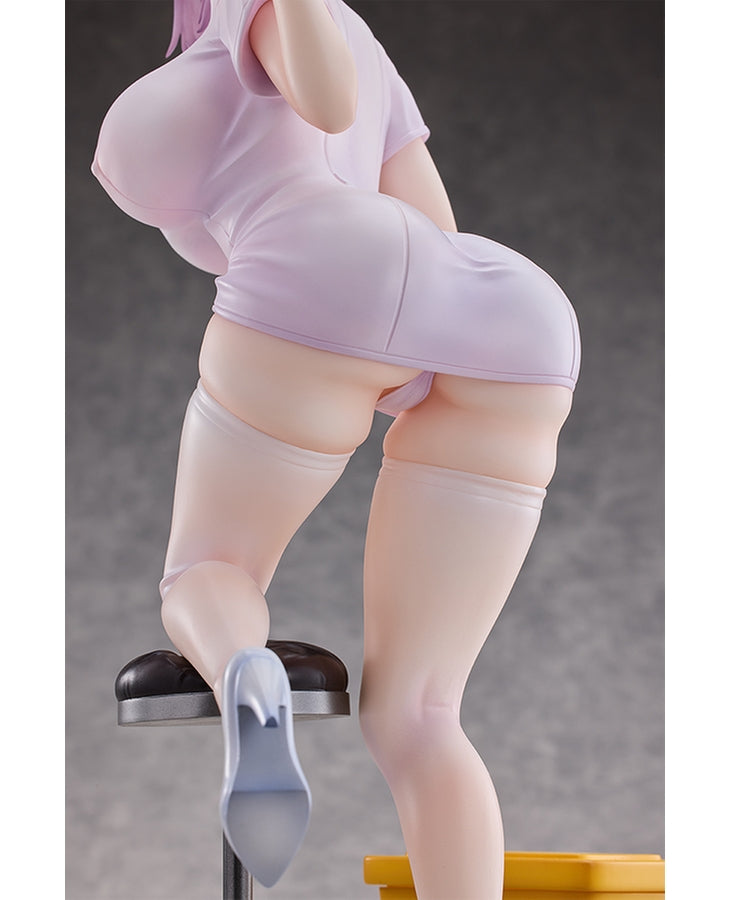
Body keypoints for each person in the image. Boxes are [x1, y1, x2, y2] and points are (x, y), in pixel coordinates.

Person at [92, 1, 580, 896]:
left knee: (209, 569)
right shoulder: (368, 49)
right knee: (419, 713)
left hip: (308, 271)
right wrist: (389, 366)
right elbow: (430, 232)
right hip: (507, 308)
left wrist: (345, 354)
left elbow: (321, 97)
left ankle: (246, 674)